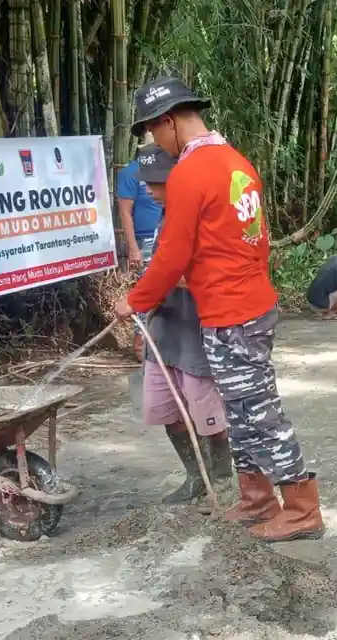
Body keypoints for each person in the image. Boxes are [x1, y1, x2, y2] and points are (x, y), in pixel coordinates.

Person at [116, 76, 324, 542]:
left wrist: (134, 301)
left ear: (168, 121)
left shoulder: (190, 172)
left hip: (233, 315)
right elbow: (253, 241)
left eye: (153, 132)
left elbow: (172, 255)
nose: (156, 144)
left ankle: (302, 509)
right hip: (242, 307)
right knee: (240, 410)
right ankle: (257, 499)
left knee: (260, 412)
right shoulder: (236, 163)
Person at [132, 144, 233, 503]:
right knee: (165, 410)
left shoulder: (201, 216)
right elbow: (152, 276)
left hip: (193, 333)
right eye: (146, 182)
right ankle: (195, 476)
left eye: (156, 182)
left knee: (209, 414)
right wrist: (141, 322)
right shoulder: (162, 219)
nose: (148, 189)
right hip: (162, 332)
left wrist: (163, 279)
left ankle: (222, 479)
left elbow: (214, 274)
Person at [116, 141, 164, 273]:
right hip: (143, 240)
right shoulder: (130, 173)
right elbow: (124, 212)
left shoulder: (164, 170)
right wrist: (133, 248)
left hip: (165, 236)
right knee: (148, 279)